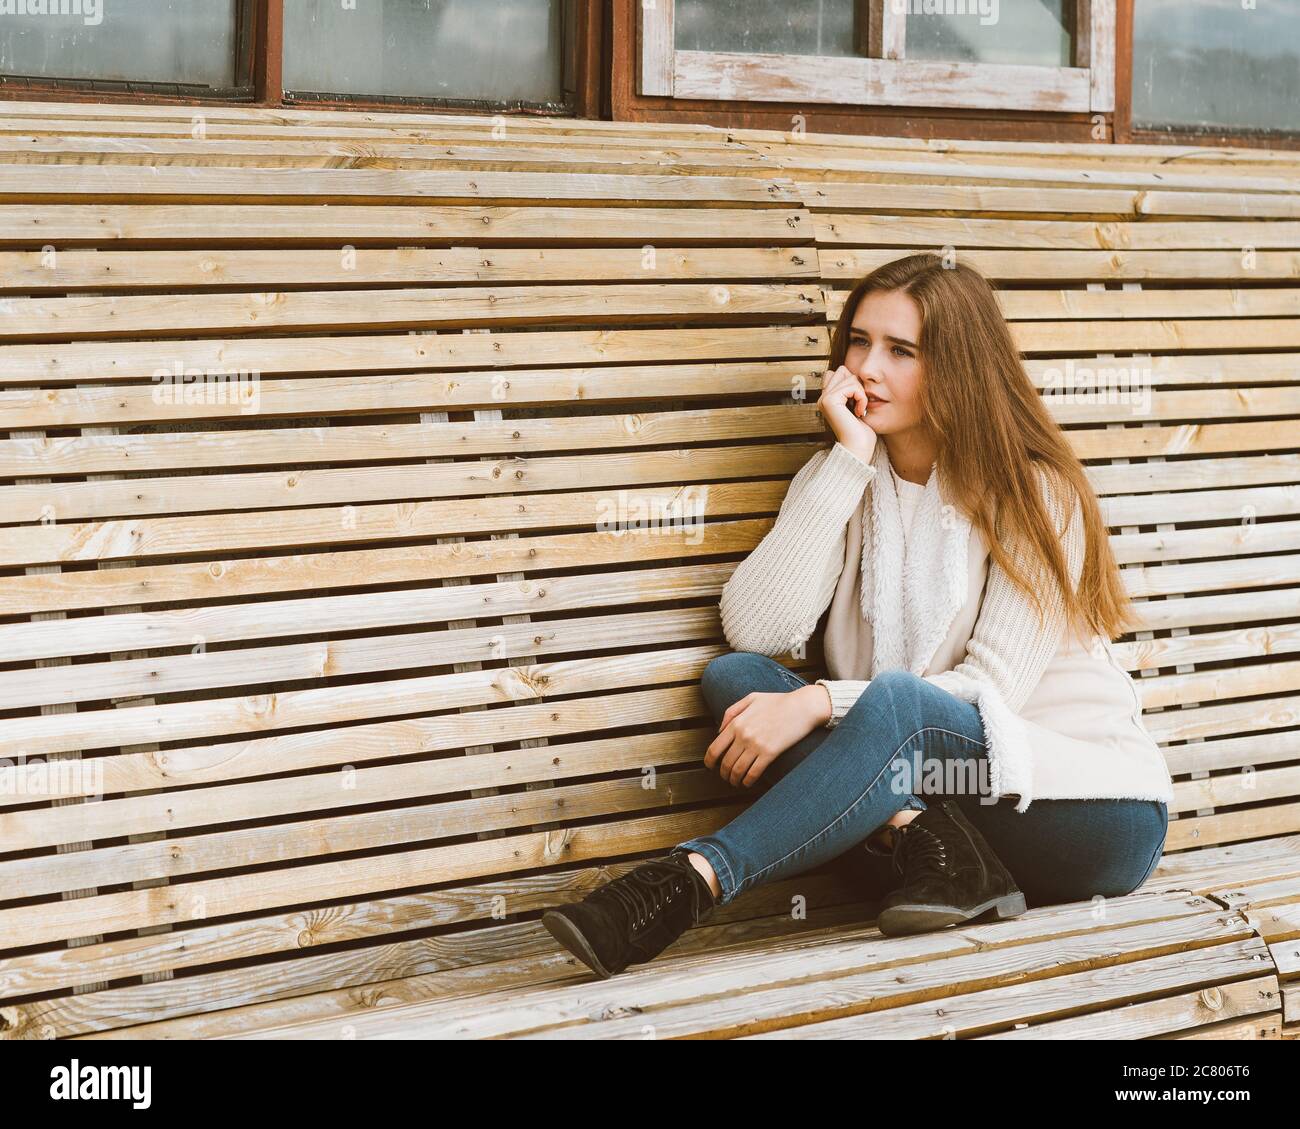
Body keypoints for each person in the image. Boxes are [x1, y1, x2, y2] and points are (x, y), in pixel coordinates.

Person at [542, 253, 1174, 981]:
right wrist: (845, 464)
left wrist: (818, 701)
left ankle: (687, 883)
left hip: (1085, 807)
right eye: (859, 342)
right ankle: (931, 847)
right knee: (737, 679)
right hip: (944, 798)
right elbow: (756, 628)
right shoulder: (845, 476)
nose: (869, 368)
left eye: (901, 351)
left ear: (959, 368)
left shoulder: (1037, 491)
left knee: (893, 703)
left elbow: (984, 688)